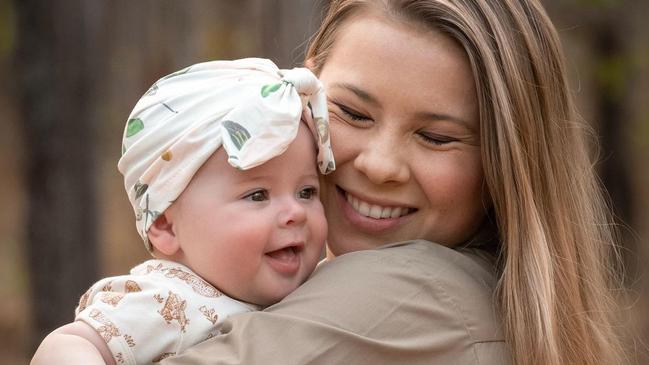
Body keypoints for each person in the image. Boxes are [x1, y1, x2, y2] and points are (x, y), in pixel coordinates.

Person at [160, 1, 627, 365]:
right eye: (352, 113)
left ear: (505, 162)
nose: (381, 166)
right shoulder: (498, 299)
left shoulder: (405, 292)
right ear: (302, 92)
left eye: (437, 137)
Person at [30, 58, 336, 365]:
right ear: (165, 225)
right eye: (257, 195)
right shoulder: (169, 299)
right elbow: (65, 345)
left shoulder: (318, 289)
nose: (295, 211)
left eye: (307, 192)